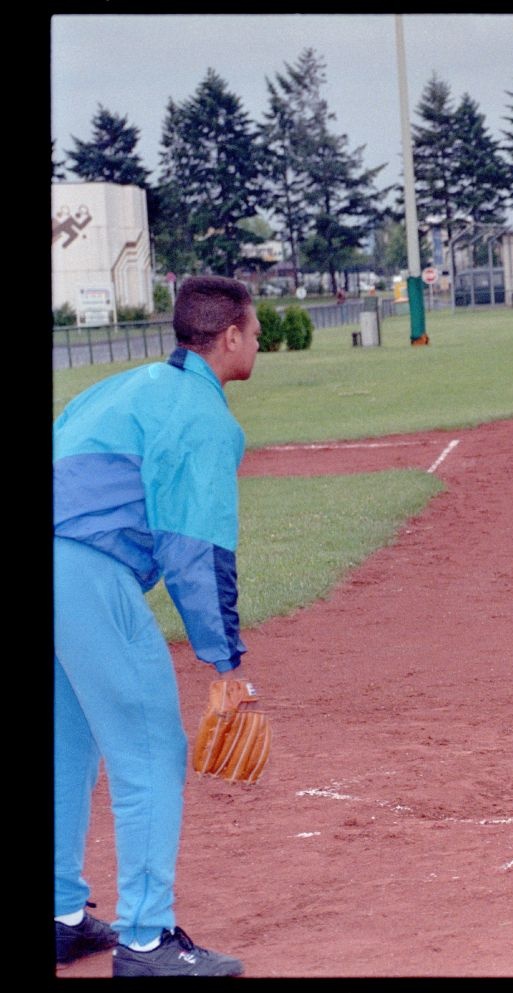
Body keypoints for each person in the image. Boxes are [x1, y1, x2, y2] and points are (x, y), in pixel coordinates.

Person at [53, 275, 261, 977]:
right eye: (254, 330)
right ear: (228, 337)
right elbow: (194, 547)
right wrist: (225, 660)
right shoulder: (202, 415)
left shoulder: (120, 386)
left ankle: (60, 915)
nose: (257, 340)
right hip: (87, 573)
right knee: (148, 751)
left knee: (69, 745)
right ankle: (146, 941)